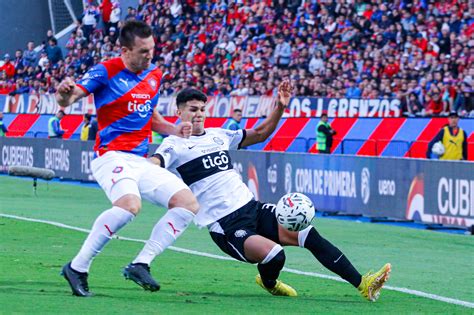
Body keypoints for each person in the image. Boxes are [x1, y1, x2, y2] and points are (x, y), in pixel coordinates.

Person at [148, 85, 391, 301]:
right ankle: (269, 282)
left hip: (252, 208)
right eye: (192, 109)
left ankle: (364, 284)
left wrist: (279, 107)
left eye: (201, 109)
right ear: (179, 112)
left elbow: (261, 133)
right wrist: (146, 167)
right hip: (226, 225)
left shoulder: (218, 135)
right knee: (275, 255)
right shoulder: (174, 143)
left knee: (308, 233)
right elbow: (157, 160)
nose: (198, 114)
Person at [55, 20, 199, 297]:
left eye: (152, 49)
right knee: (129, 206)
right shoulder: (105, 71)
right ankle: (78, 267)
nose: (150, 55)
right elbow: (68, 99)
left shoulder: (154, 75)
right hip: (110, 156)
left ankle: (140, 263)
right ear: (125, 50)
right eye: (143, 51)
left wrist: (174, 129)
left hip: (140, 160)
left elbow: (151, 118)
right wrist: (63, 95)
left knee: (188, 203)